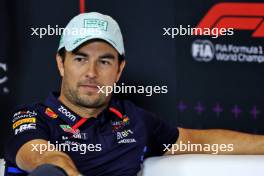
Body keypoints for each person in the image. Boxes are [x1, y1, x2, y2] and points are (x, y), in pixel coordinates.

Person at [4, 12, 264, 176]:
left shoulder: (134, 120)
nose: (92, 72)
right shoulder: (31, 117)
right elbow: (43, 157)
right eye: (81, 59)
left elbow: (201, 142)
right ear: (61, 63)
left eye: (104, 61)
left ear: (119, 70)